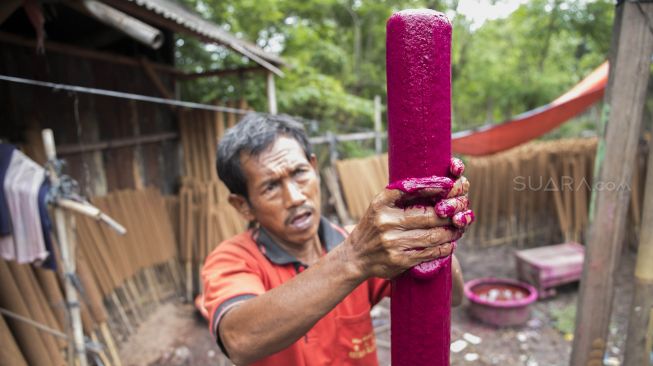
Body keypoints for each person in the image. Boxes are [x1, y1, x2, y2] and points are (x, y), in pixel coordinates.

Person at [200, 113, 472, 366]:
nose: (295, 197)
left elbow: (453, 297)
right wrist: (354, 257)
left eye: (299, 173)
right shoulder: (232, 259)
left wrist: (437, 236)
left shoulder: (359, 243)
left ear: (314, 167)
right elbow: (239, 339)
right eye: (270, 187)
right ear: (242, 205)